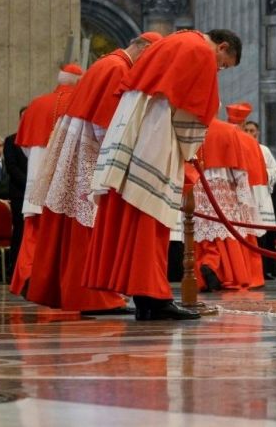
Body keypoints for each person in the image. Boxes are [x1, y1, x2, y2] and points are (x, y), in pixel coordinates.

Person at [84, 28, 241, 321]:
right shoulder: (200, 51)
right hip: (156, 136)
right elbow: (192, 113)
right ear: (221, 47)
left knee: (136, 216)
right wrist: (190, 150)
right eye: (223, 66)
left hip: (137, 130)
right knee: (149, 220)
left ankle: (145, 298)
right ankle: (154, 298)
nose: (218, 70)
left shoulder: (176, 40)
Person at [25, 35, 160, 311]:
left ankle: (77, 292)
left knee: (77, 222)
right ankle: (93, 297)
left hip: (79, 147)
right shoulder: (117, 68)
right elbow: (105, 121)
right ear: (144, 49)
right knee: (88, 223)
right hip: (90, 152)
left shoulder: (106, 63)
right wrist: (118, 157)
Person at [6, 64, 83, 295]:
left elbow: (25, 147)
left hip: (37, 175)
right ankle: (56, 280)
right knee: (64, 236)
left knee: (33, 232)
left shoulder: (36, 104)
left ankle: (27, 277)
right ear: (78, 81)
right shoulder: (80, 102)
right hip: (66, 178)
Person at [191, 118, 259, 292]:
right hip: (223, 188)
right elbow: (239, 167)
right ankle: (222, 272)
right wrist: (243, 197)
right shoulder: (228, 130)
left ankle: (208, 265)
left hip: (197, 186)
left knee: (205, 234)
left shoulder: (191, 127)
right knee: (225, 232)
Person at [234, 111, 276, 279]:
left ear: (257, 133)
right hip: (245, 196)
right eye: (246, 130)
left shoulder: (264, 150)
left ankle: (265, 270)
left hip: (261, 195)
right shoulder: (238, 147)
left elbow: (274, 170)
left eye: (252, 130)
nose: (249, 133)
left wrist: (261, 173)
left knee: (264, 236)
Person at [3, 109, 28, 281]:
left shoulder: (40, 139)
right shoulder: (11, 140)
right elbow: (11, 167)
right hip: (20, 193)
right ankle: (15, 271)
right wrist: (30, 183)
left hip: (37, 195)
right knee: (20, 231)